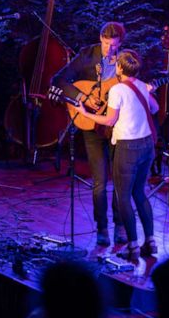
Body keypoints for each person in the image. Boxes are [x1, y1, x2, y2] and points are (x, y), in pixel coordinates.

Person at [75, 49, 158, 259]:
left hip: (128, 147)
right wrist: (148, 93)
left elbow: (110, 120)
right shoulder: (141, 86)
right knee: (139, 193)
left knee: (123, 197)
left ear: (120, 68)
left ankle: (132, 247)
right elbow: (155, 109)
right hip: (147, 145)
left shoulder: (118, 90)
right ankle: (151, 241)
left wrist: (86, 113)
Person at [51, 22, 127, 246]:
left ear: (120, 44)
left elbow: (135, 87)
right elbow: (58, 80)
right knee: (100, 182)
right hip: (91, 124)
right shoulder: (87, 55)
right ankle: (102, 227)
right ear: (100, 38)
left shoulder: (125, 60)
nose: (108, 50)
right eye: (105, 44)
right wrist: (82, 98)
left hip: (117, 126)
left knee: (120, 180)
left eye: (113, 46)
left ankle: (120, 225)